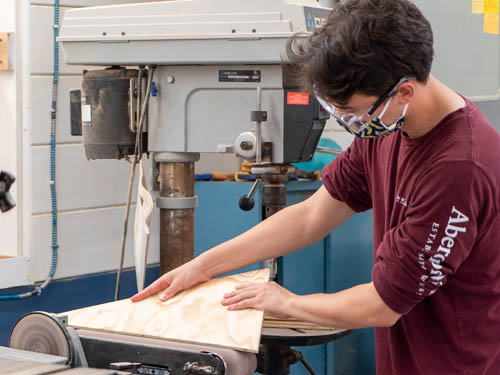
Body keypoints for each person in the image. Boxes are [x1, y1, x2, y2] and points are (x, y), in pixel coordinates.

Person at [132, 0, 500, 373]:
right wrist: (203, 266)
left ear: (404, 93)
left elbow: (381, 305)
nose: (351, 124)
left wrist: (286, 302)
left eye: (353, 113)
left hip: (455, 363)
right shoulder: (385, 127)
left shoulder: (458, 168)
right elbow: (311, 215)